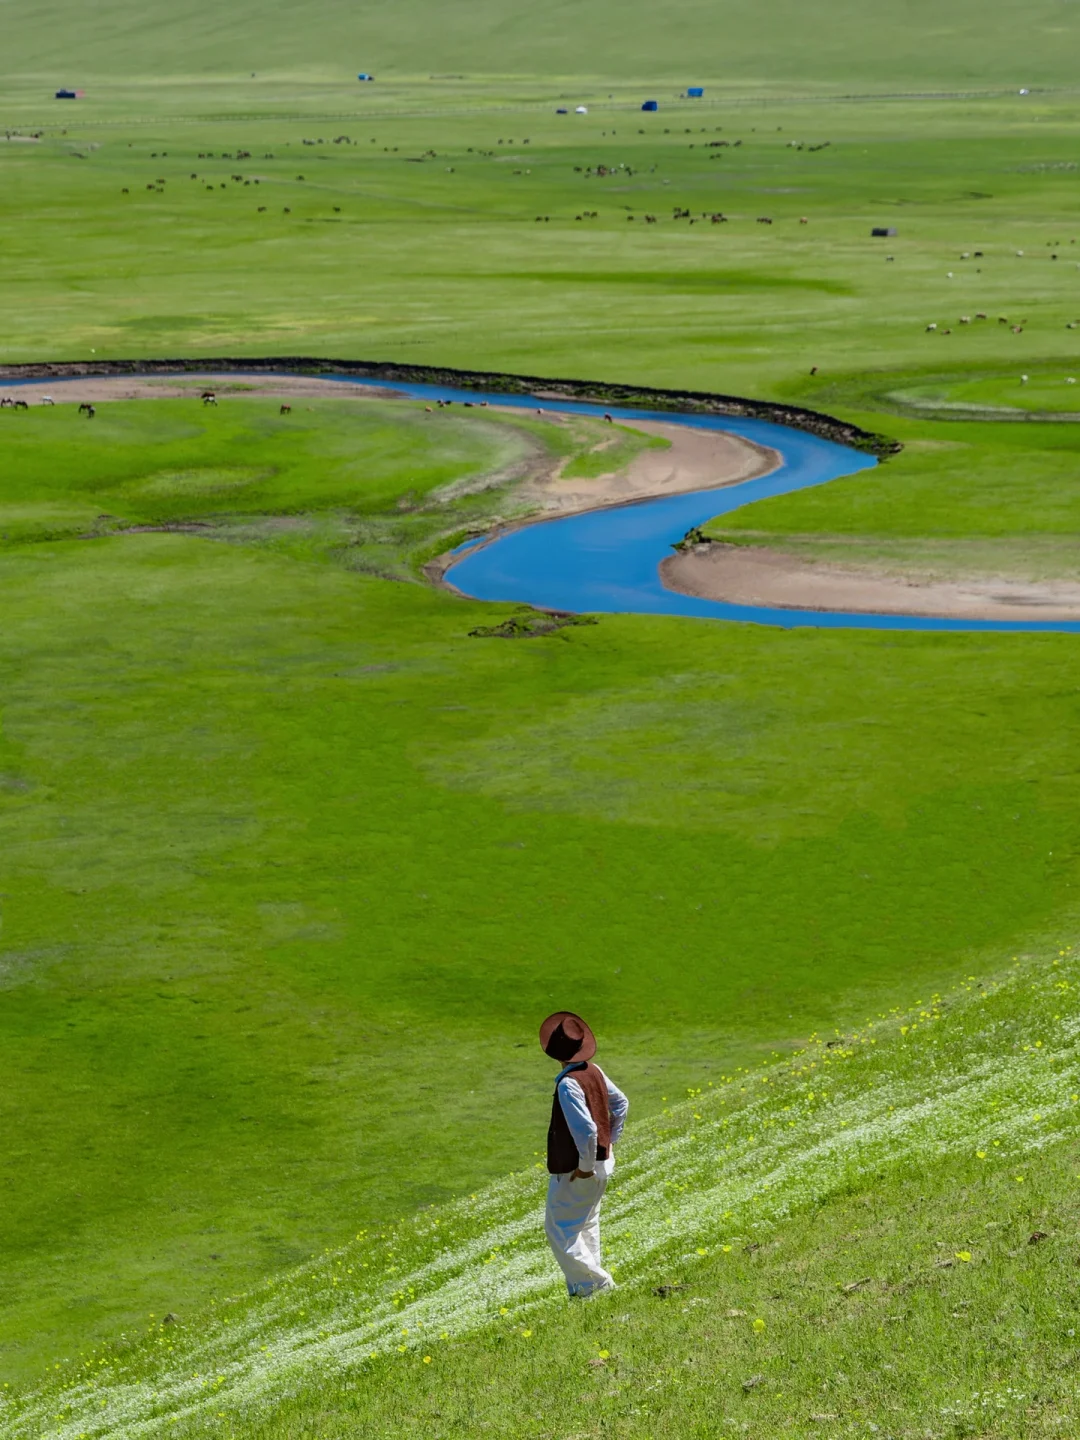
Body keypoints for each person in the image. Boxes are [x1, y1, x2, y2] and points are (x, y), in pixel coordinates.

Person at [539, 1011, 629, 1298]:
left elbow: (587, 1131)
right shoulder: (595, 1071)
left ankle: (597, 1286)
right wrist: (610, 1142)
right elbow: (621, 1104)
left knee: (560, 1231)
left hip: (579, 1171)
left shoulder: (568, 1084)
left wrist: (585, 1167)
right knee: (586, 1225)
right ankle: (586, 1292)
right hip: (602, 1164)